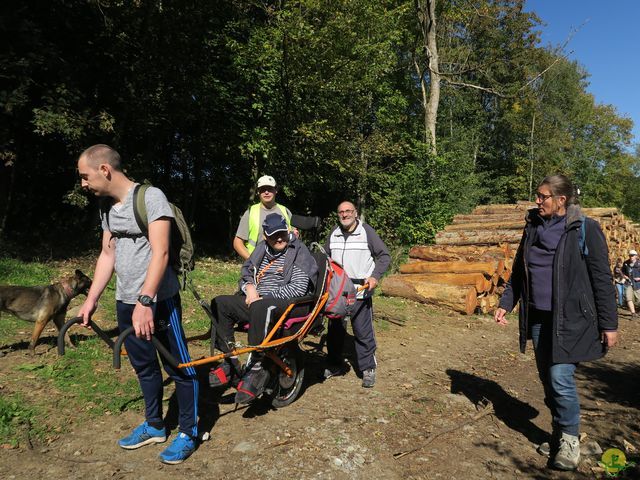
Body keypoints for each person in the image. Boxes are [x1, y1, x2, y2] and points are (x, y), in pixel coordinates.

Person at [76, 144, 199, 465]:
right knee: (144, 367)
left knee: (180, 368)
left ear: (104, 169)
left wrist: (146, 300)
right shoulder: (106, 208)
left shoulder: (150, 197)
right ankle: (156, 425)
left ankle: (189, 431)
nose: (83, 184)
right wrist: (91, 300)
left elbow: (160, 252)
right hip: (126, 301)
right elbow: (107, 254)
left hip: (160, 301)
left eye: (85, 176)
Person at [495, 175, 618, 471]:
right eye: (538, 196)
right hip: (538, 317)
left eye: (543, 196)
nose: (537, 200)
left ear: (561, 200)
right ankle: (560, 432)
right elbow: (519, 270)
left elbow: (602, 278)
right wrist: (505, 302)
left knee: (561, 379)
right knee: (548, 380)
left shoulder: (584, 229)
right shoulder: (534, 226)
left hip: (572, 319)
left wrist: (609, 323)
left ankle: (570, 441)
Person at [210, 213, 318, 404]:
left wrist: (262, 297)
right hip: (257, 300)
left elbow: (299, 288)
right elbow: (246, 273)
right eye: (274, 235)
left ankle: (258, 366)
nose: (279, 238)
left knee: (261, 306)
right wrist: (249, 288)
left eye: (282, 234)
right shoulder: (261, 249)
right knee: (220, 303)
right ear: (265, 236)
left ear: (287, 231)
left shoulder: (298, 251)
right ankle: (230, 360)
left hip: (290, 303)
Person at [323, 201, 391, 388]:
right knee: (335, 332)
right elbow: (324, 257)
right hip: (337, 294)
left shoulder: (366, 231)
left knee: (362, 332)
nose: (345, 215)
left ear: (355, 213)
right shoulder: (334, 233)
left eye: (348, 211)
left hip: (360, 292)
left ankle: (368, 368)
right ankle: (335, 365)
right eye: (341, 212)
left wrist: (375, 276)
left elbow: (384, 256)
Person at [233, 175, 292, 260]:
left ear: (276, 190)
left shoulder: (285, 211)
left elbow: (293, 236)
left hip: (284, 264)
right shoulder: (250, 212)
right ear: (258, 192)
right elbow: (237, 243)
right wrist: (252, 261)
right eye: (263, 189)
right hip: (258, 264)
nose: (266, 192)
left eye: (270, 188)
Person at [622, 250, 640, 316]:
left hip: (638, 284)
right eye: (630, 255)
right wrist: (624, 276)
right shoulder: (626, 263)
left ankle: (637, 309)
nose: (631, 257)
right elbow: (622, 272)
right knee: (628, 297)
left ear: (636, 256)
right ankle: (633, 313)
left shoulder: (639, 263)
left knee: (638, 301)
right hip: (628, 283)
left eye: (632, 255)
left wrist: (639, 278)